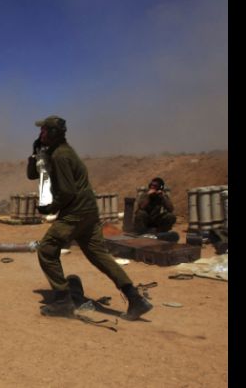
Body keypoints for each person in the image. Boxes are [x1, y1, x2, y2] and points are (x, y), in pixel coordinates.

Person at [29, 116, 152, 320]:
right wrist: (35, 154)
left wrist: (50, 207)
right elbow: (33, 174)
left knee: (47, 250)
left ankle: (62, 301)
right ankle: (135, 298)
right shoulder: (60, 152)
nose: (40, 134)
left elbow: (67, 191)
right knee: (98, 255)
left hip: (75, 212)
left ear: (52, 133)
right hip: (88, 211)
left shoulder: (60, 156)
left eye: (43, 131)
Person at [134, 177, 178, 242]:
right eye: (151, 185)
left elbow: (170, 209)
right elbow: (142, 207)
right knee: (140, 213)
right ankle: (142, 234)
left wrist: (162, 197)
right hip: (145, 220)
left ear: (159, 187)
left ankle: (160, 234)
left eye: (155, 186)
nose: (152, 187)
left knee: (170, 216)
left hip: (156, 219)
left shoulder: (162, 195)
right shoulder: (145, 194)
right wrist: (148, 196)